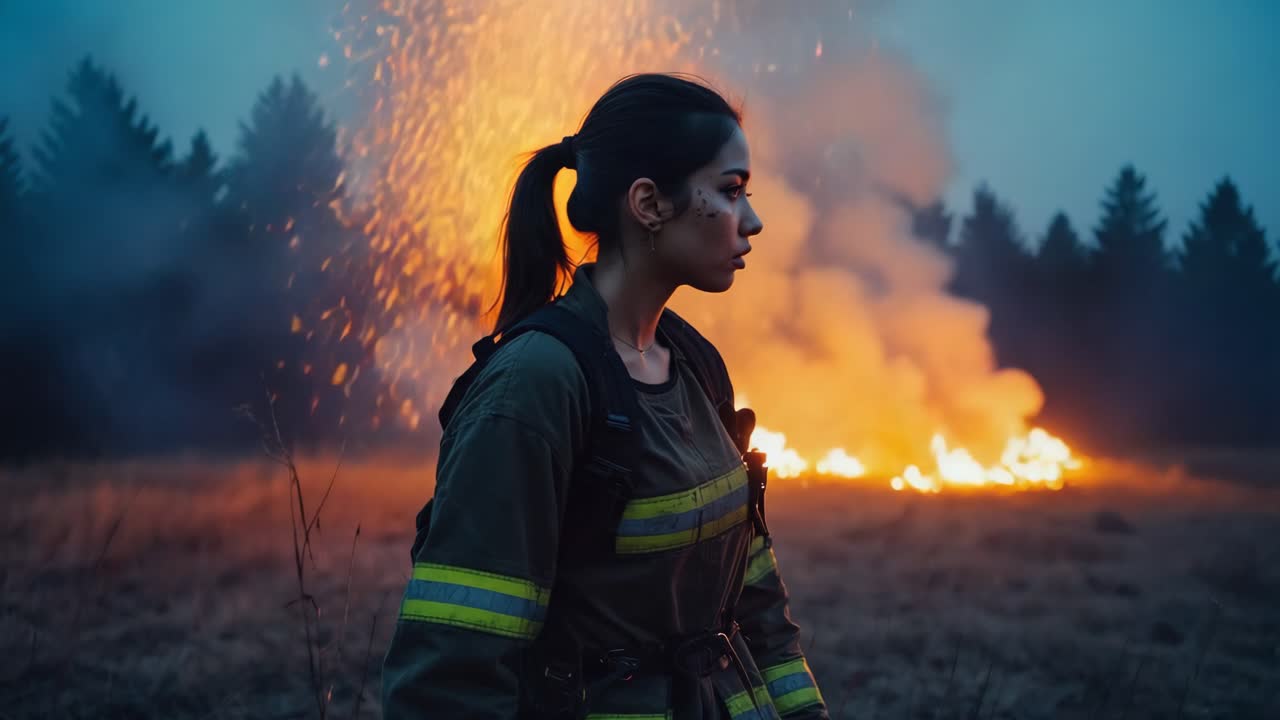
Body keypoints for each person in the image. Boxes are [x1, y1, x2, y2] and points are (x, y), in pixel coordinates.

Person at [382, 73, 828, 720]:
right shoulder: (535, 387)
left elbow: (751, 593)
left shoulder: (697, 366)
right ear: (647, 204)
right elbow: (453, 670)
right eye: (731, 191)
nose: (752, 220)